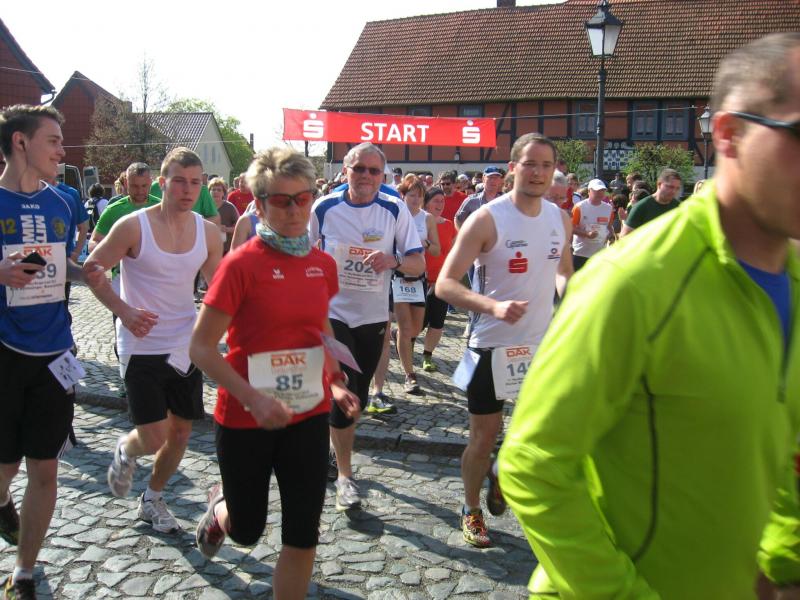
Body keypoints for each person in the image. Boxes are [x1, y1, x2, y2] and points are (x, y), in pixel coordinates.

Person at [497, 32, 800, 599]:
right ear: (729, 135)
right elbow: (533, 465)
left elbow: (785, 447)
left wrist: (786, 565)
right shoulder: (634, 282)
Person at [190, 148, 359, 599]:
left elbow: (319, 329)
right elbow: (201, 348)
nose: (295, 210)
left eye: (303, 199)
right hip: (246, 418)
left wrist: (336, 382)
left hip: (308, 414)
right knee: (247, 530)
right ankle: (221, 510)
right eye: (282, 201)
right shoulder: (240, 265)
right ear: (260, 204)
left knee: (303, 532)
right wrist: (254, 398)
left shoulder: (323, 265)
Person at [436, 132, 573, 548]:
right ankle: (471, 508)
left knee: (539, 431)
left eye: (546, 165)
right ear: (513, 168)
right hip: (491, 345)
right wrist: (492, 306)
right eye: (530, 164)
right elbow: (445, 284)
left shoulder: (560, 218)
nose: (538, 173)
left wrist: (573, 297)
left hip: (540, 347)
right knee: (483, 438)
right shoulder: (486, 218)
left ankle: (502, 470)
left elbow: (563, 271)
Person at [83, 147, 222, 534]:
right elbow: (93, 267)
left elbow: (219, 289)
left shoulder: (208, 232)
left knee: (181, 433)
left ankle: (152, 499)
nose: (187, 189)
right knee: (154, 434)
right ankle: (127, 449)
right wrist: (124, 311)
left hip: (184, 345)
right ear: (163, 183)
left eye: (195, 182)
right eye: (179, 181)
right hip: (140, 342)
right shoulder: (133, 226)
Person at [309, 142, 424, 511]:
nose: (365, 176)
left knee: (353, 399)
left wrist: (393, 260)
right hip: (333, 313)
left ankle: (334, 449)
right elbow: (302, 251)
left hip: (373, 317)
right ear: (345, 169)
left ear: (383, 175)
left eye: (374, 171)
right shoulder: (324, 207)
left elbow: (418, 263)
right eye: (359, 168)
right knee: (344, 390)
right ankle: (345, 477)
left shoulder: (394, 208)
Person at [0, 104, 84, 600]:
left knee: (44, 468)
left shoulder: (63, 202)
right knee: (5, 467)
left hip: (54, 353)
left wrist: (89, 273)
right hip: (4, 353)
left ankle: (24, 572)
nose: (61, 150)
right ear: (20, 142)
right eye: (52, 140)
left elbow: (54, 264)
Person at [392, 177, 440, 394]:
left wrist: (425, 243)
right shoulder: (395, 215)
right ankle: (409, 375)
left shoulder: (427, 218)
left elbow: (437, 250)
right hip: (398, 275)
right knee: (405, 327)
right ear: (403, 195)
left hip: (419, 277)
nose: (416, 200)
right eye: (411, 195)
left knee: (415, 327)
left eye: (420, 196)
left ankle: (398, 336)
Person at [420, 186, 457, 373]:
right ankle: (401, 336)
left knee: (437, 323)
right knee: (419, 324)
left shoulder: (449, 225)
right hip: (420, 279)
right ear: (426, 203)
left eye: (442, 201)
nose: (440, 204)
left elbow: (452, 252)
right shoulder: (419, 223)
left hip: (441, 281)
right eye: (436, 200)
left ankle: (427, 356)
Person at [619, 167, 683, 236]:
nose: (674, 191)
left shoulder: (680, 207)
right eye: (670, 187)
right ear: (659, 184)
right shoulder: (641, 207)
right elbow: (624, 236)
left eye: (677, 188)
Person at [571, 178, 615, 271]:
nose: (600, 193)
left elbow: (609, 226)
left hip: (600, 254)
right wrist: (586, 234)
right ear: (589, 191)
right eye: (596, 190)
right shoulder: (579, 207)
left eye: (602, 190)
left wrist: (611, 236)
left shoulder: (608, 208)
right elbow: (571, 228)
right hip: (581, 253)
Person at [209, 177, 239, 255]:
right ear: (209, 192)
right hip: (208, 248)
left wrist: (226, 229)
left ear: (223, 193)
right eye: (213, 189)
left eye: (219, 190)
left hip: (225, 248)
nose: (216, 192)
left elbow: (239, 227)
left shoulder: (230, 207)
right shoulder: (204, 207)